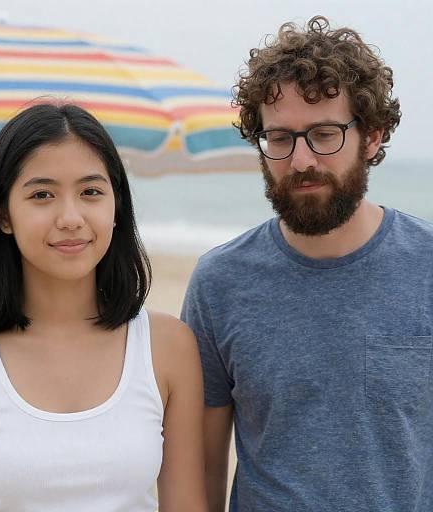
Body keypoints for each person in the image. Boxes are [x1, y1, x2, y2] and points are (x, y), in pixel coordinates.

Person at [181, 15, 433, 512]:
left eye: (323, 134)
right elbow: (204, 466)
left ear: (374, 136)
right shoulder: (219, 284)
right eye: (279, 139)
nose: (300, 160)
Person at [0, 102, 207, 512]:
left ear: (116, 205)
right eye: (42, 195)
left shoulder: (169, 347)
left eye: (91, 192)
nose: (71, 218)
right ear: (3, 214)